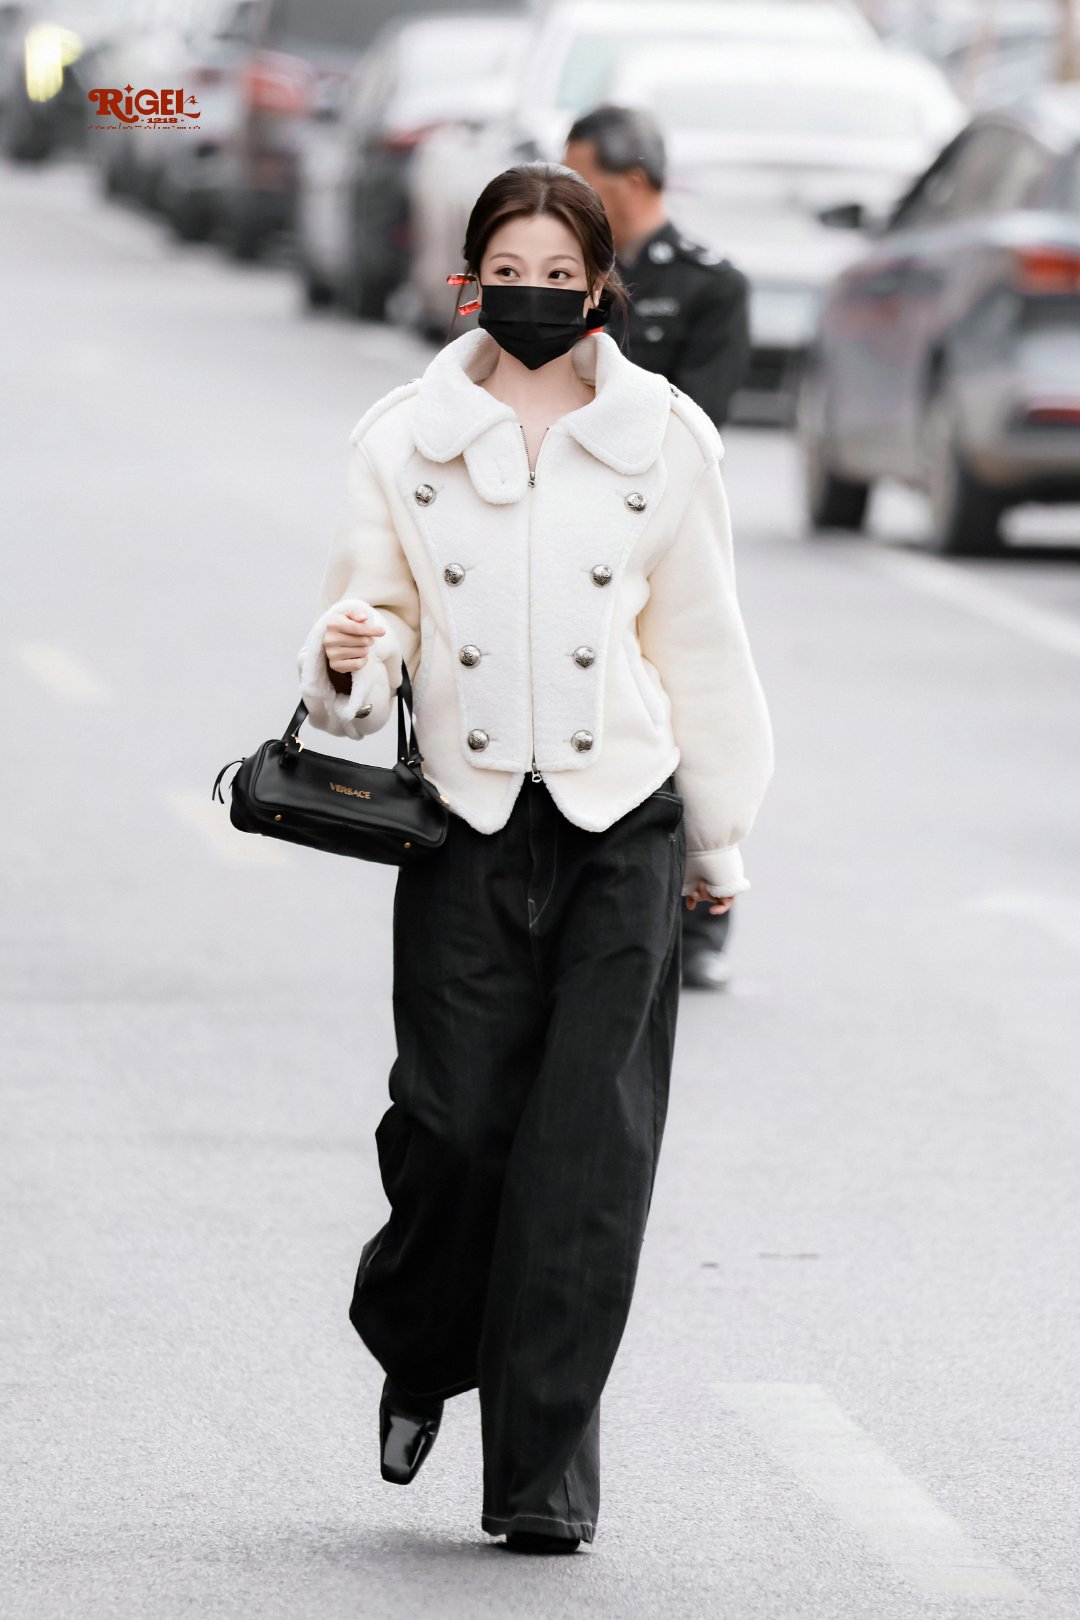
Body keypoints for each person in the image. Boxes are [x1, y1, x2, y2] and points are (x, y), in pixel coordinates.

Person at [295, 162, 774, 1555]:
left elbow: (702, 644)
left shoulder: (664, 437)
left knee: (587, 1161)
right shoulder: (406, 438)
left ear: (602, 286)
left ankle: (540, 1480)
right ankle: (417, 1344)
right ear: (470, 277)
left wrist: (721, 838)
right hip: (465, 824)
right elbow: (370, 612)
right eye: (511, 271)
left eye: (563, 276)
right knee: (451, 1131)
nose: (536, 295)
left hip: (623, 824)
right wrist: (353, 655)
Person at [564, 105, 752, 989]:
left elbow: (703, 422)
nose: (567, 194)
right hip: (566, 526)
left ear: (631, 183)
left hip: (664, 536)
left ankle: (703, 916)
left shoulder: (714, 285)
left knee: (687, 715)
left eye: (583, 178)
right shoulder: (560, 274)